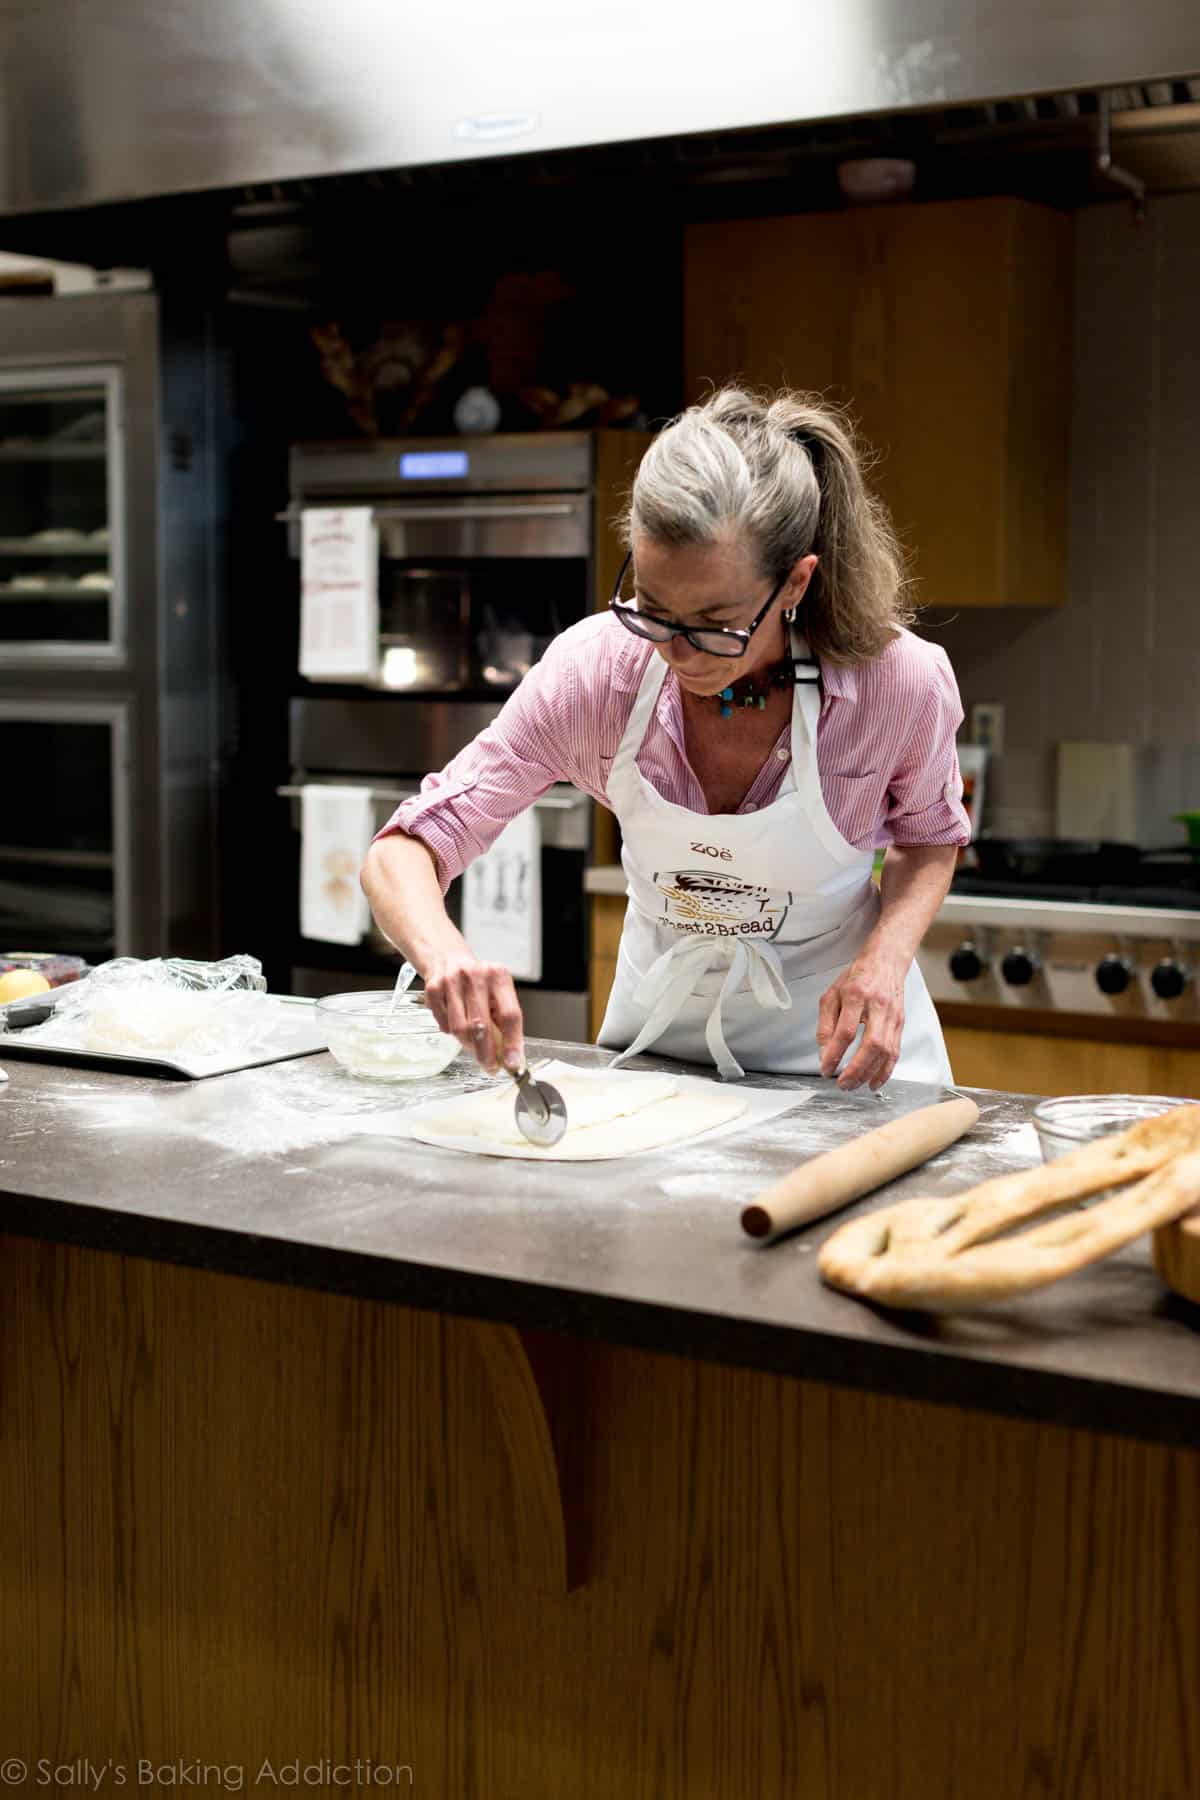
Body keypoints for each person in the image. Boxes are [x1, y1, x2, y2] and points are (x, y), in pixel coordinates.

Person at [361, 386, 969, 1091]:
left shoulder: (895, 685)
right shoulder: (598, 675)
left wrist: (885, 961)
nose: (677, 651)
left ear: (797, 581)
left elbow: (928, 837)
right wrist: (443, 956)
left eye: (715, 623)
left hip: (844, 1056)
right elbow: (407, 846)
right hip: (659, 1059)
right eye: (653, 608)